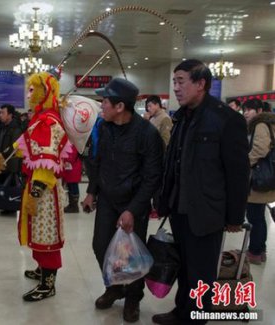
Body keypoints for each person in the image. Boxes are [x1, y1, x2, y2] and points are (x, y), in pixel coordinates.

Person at [153, 59, 250, 325]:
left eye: (181, 81)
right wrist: (163, 200)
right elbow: (173, 163)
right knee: (183, 268)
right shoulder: (181, 117)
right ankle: (181, 311)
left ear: (201, 83)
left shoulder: (226, 120)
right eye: (174, 82)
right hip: (179, 208)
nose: (176, 88)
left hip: (206, 211)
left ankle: (196, 318)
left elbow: (238, 173)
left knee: (201, 274)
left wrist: (234, 216)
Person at [82, 78, 164, 323]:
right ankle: (114, 287)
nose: (101, 106)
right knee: (100, 246)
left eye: (104, 101)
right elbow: (97, 162)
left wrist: (132, 210)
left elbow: (152, 178)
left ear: (120, 107)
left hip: (133, 203)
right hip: (107, 199)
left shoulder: (147, 134)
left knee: (131, 254)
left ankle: (133, 298)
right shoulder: (104, 127)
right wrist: (92, 191)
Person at [0, 69, 71, 302]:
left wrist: (36, 191)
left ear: (45, 92)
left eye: (32, 90)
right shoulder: (40, 118)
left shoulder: (48, 121)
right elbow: (25, 142)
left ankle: (49, 283)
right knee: (37, 231)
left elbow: (47, 160)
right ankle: (41, 269)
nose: (29, 95)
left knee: (46, 235)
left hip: (44, 189)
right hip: (37, 185)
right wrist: (6, 155)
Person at [243, 98, 275, 264]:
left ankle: (255, 251)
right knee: (258, 216)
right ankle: (260, 250)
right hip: (264, 178)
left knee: (254, 216)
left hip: (258, 179)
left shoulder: (260, 124)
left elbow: (260, 149)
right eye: (245, 109)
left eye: (250, 109)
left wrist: (245, 164)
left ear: (259, 111)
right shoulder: (268, 124)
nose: (246, 112)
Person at [0, 104, 23, 214]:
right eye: (0, 112)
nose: (0, 115)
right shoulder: (2, 127)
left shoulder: (15, 128)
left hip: (10, 163)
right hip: (1, 161)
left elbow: (14, 147)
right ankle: (5, 205)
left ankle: (10, 207)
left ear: (10, 115)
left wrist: (3, 156)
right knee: (2, 184)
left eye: (3, 113)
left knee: (10, 187)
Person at [63, 144, 82, 213]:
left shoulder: (73, 143)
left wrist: (66, 160)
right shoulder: (73, 141)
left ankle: (74, 206)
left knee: (73, 187)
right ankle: (72, 205)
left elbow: (71, 155)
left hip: (72, 168)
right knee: (71, 187)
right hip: (71, 168)